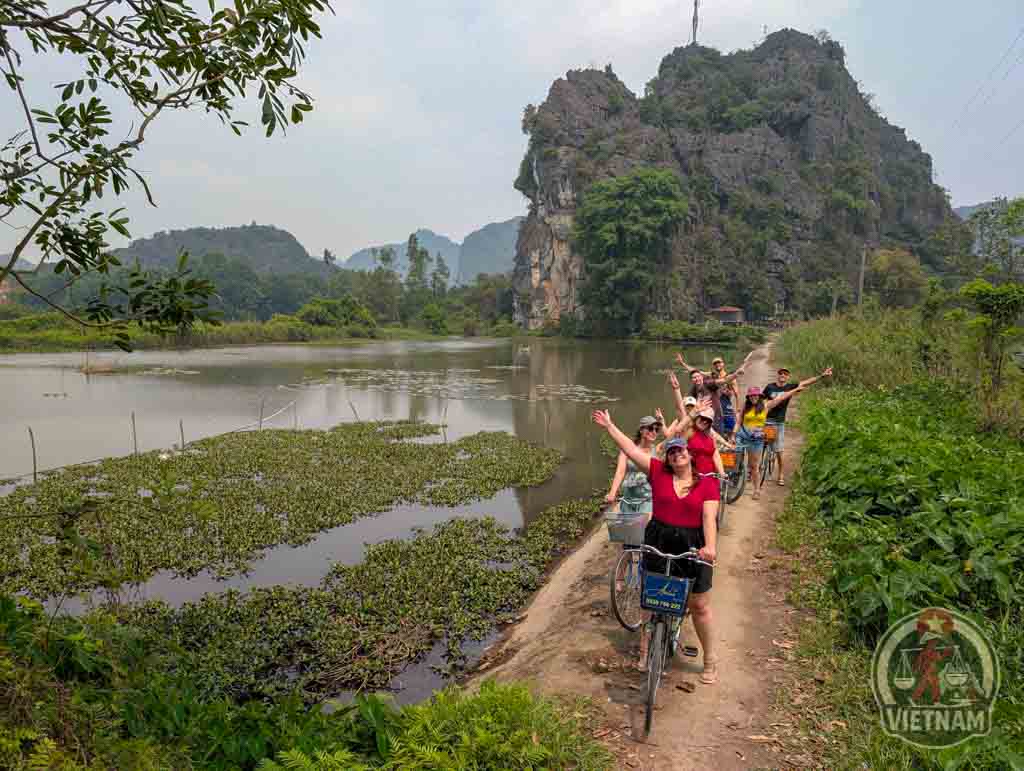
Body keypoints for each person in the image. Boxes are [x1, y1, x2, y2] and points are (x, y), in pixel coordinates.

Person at [591, 412, 720, 684]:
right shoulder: (658, 472)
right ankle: (644, 650)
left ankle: (710, 660)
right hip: (658, 539)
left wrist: (710, 547)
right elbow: (628, 449)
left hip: (693, 544)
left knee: (698, 606)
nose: (676, 456)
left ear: (690, 455)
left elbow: (709, 517)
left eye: (680, 451)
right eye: (671, 453)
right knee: (650, 600)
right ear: (667, 458)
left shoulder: (707, 483)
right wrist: (611, 426)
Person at [762, 366, 833, 486]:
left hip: (779, 422)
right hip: (768, 421)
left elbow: (806, 382)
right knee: (761, 445)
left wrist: (821, 376)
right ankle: (752, 470)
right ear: (778, 375)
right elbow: (761, 400)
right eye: (781, 373)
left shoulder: (790, 387)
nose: (783, 375)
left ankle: (780, 474)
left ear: (788, 377)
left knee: (779, 450)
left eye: (785, 374)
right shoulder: (769, 387)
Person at [736, 385, 803, 500]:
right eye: (751, 396)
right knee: (735, 459)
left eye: (755, 395)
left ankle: (757, 489)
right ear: (748, 397)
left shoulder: (765, 406)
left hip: (756, 439)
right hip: (743, 435)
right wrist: (734, 433)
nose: (753, 397)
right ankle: (735, 478)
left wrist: (795, 390)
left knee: (754, 466)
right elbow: (739, 421)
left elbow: (781, 397)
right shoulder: (745, 406)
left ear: (759, 396)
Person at [605, 414, 661, 518]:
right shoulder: (627, 449)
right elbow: (620, 471)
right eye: (650, 428)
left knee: (644, 529)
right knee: (628, 530)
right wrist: (612, 492)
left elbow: (675, 433)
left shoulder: (657, 450)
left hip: (648, 500)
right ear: (641, 430)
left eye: (656, 429)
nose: (654, 432)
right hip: (629, 499)